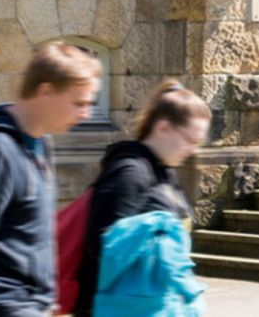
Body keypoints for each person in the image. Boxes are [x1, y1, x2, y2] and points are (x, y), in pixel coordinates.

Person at [0, 40, 104, 317]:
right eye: (79, 102)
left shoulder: (41, 143)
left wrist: (48, 297)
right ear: (46, 92)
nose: (86, 113)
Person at [76, 81, 211, 317]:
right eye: (190, 140)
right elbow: (101, 245)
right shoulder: (129, 171)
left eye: (198, 143)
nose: (194, 150)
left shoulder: (164, 171)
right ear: (163, 128)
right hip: (117, 307)